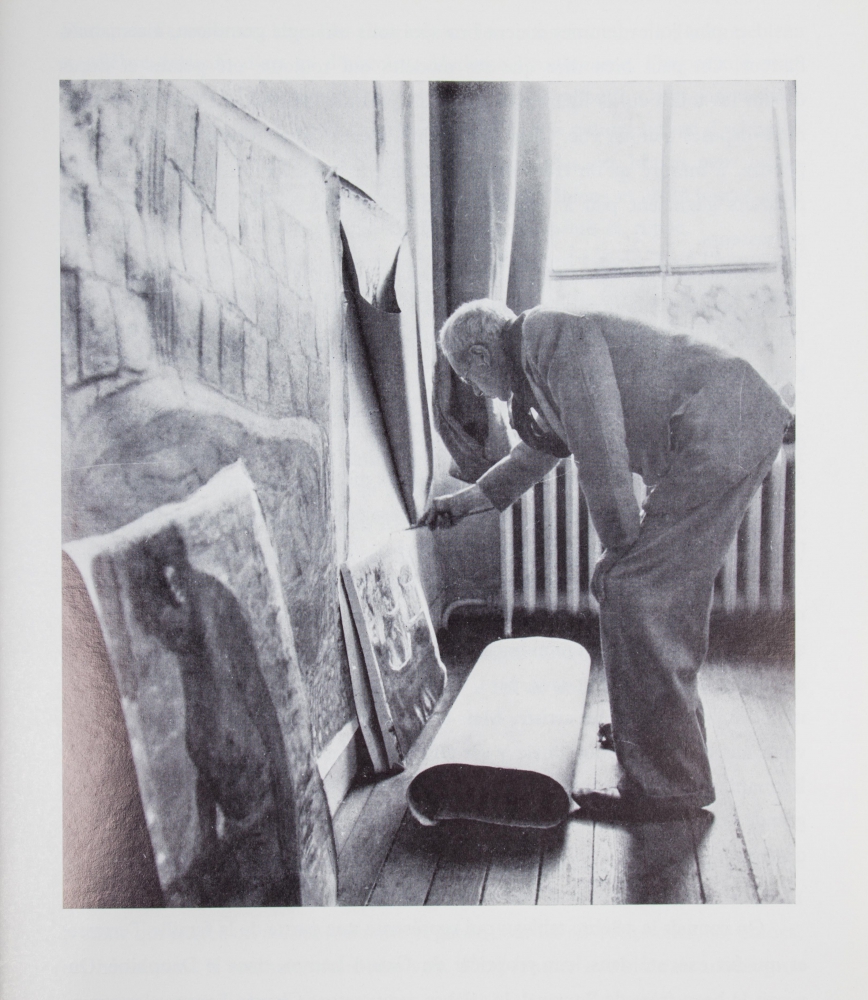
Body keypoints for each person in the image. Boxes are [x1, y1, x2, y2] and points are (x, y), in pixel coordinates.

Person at [420, 300, 792, 822]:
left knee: (635, 589)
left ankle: (670, 786)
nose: (478, 392)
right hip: (718, 428)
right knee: (627, 586)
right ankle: (650, 737)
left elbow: (596, 440)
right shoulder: (535, 357)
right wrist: (465, 502)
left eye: (469, 379)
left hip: (723, 425)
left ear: (481, 354)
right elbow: (542, 450)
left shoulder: (550, 337)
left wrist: (621, 543)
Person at [128, 525, 301, 905]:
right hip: (240, 834)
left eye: (161, 622)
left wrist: (283, 860)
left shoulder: (212, 610)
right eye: (154, 627)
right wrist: (206, 846)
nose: (161, 637)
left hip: (264, 834)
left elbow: (266, 739)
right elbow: (208, 771)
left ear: (176, 589)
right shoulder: (190, 658)